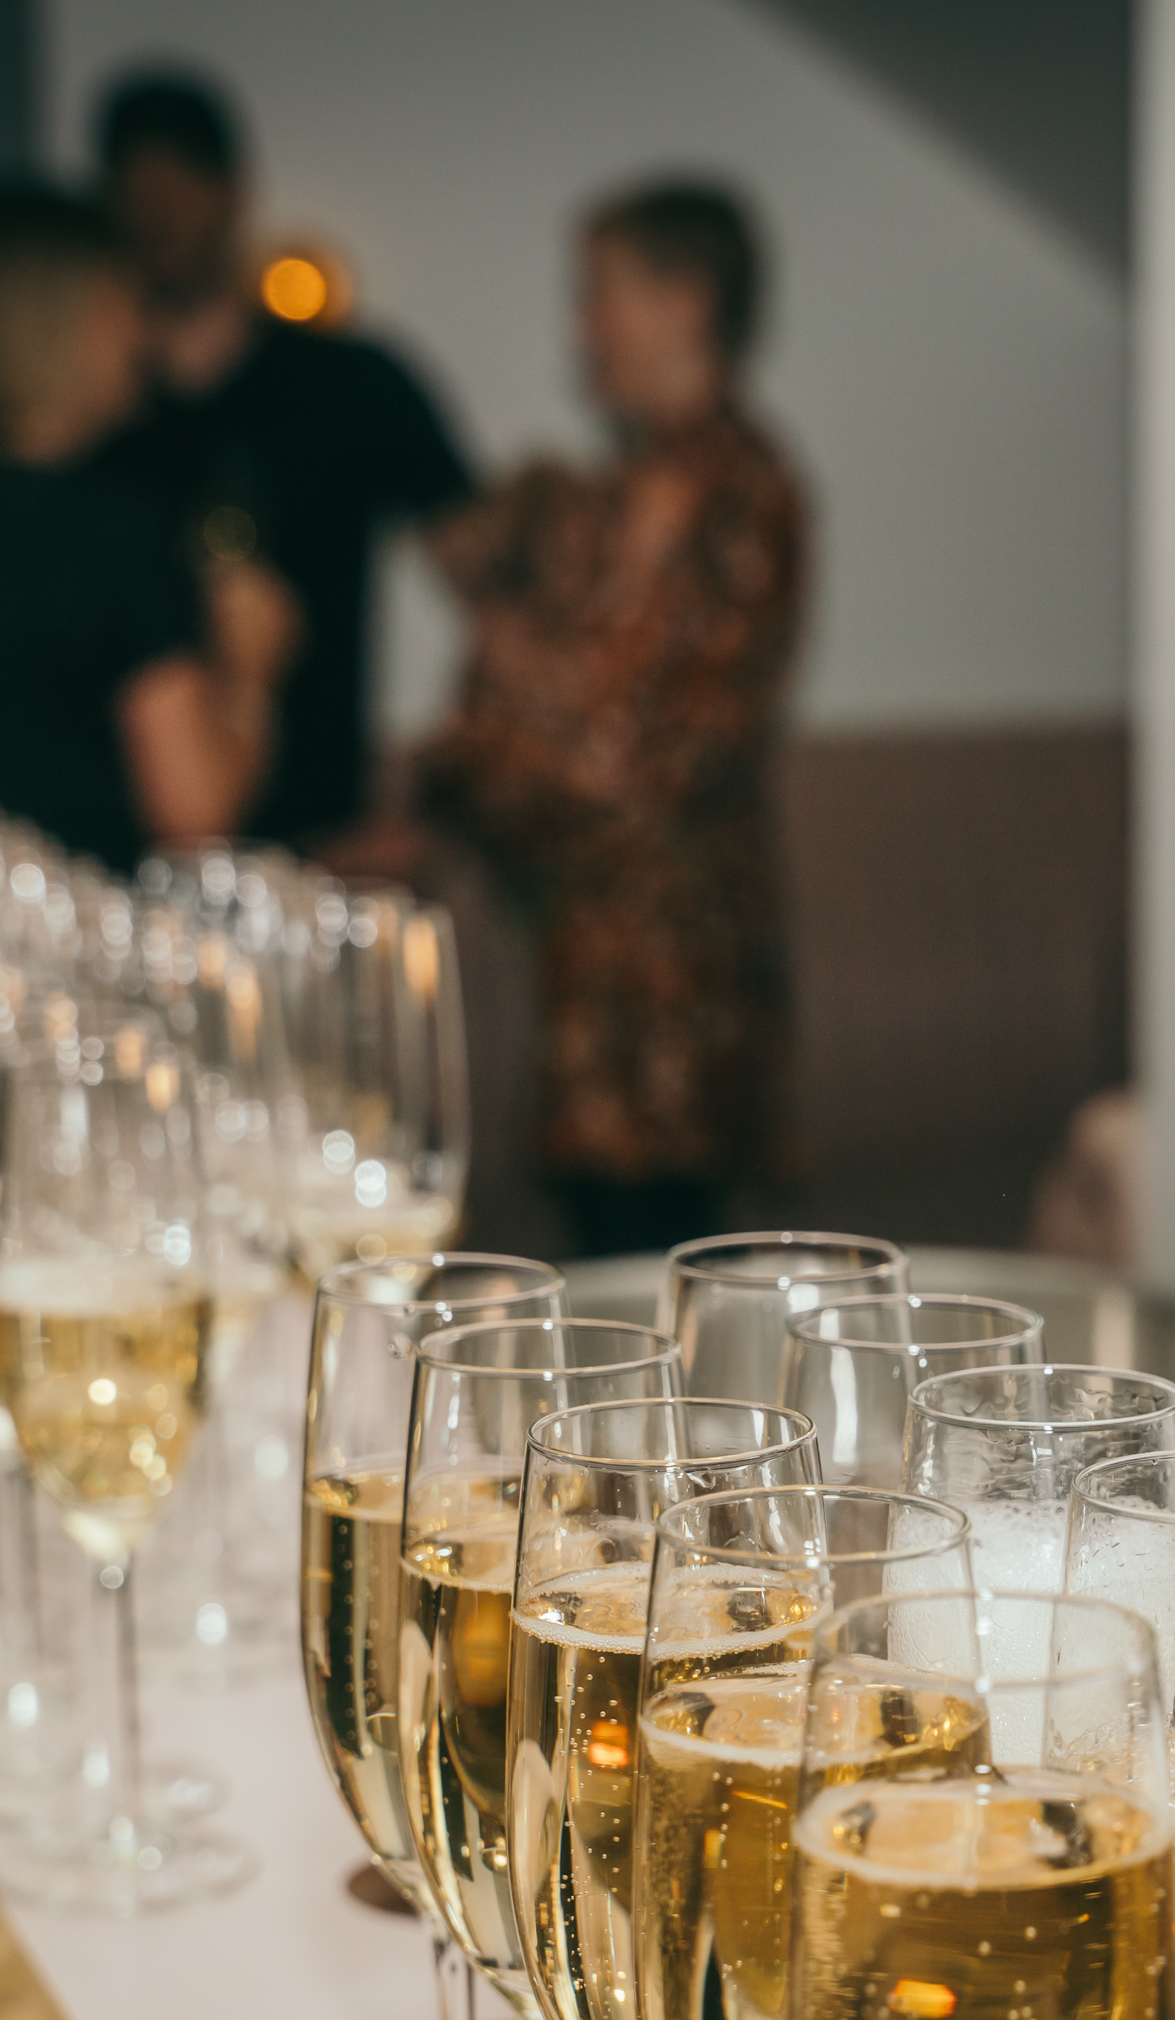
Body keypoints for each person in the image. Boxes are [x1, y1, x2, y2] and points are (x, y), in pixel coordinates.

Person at [410, 179, 806, 1258]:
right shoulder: (590, 499)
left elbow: (623, 766)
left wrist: (497, 720)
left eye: (597, 298)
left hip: (683, 993)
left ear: (686, 302)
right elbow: (481, 720)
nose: (579, 331)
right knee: (592, 1287)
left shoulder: (747, 498)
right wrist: (488, 739)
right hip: (577, 977)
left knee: (667, 1300)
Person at [92, 67, 480, 849]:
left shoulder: (349, 382)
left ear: (235, 192)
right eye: (137, 189)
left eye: (181, 182)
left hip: (324, 844)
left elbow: (492, 585)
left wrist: (439, 806)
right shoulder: (89, 415)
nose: (159, 211)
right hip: (121, 862)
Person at [0, 184, 295, 870]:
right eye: (126, 303)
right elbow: (195, 817)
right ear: (66, 321)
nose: (142, 335)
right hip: (93, 932)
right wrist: (249, 678)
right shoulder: (115, 528)